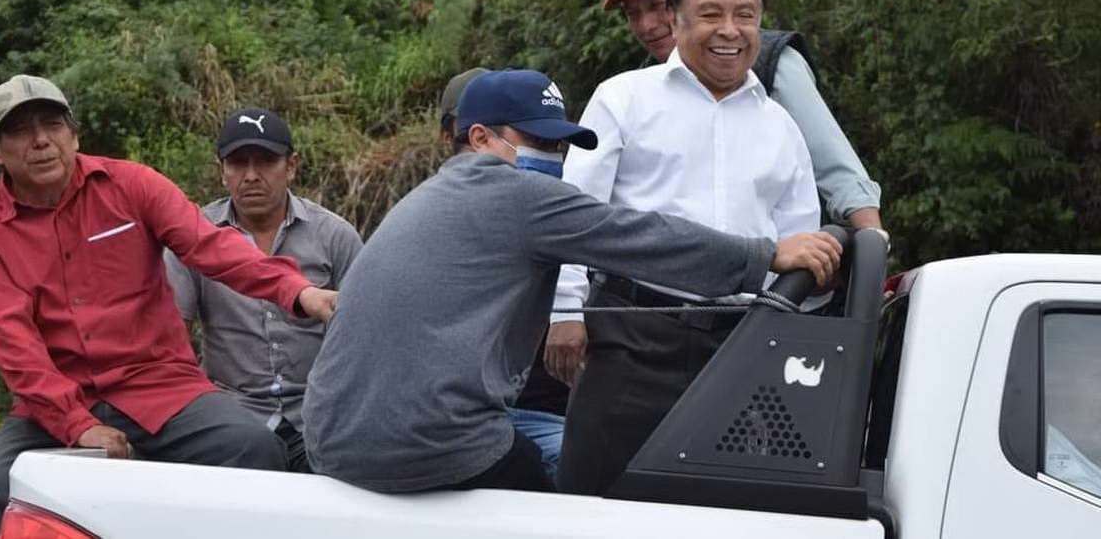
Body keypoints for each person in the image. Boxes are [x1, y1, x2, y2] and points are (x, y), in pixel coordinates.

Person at [300, 68, 842, 494]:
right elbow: (639, 236)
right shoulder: (515, 196)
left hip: (330, 437)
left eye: (558, 146)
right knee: (571, 493)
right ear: (480, 137)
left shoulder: (430, 196)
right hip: (422, 444)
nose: (552, 157)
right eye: (536, 140)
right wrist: (767, 254)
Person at [0, 76, 337, 538]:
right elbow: (14, 344)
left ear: (74, 135)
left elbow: (210, 245)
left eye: (52, 125)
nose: (40, 141)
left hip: (159, 387)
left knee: (254, 449)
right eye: (20, 130)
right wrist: (76, 425)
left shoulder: (132, 185)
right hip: (56, 402)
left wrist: (298, 291)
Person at [545, 0, 885, 422]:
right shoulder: (623, 97)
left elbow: (827, 190)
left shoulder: (779, 108)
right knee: (607, 468)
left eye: (655, 5)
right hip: (634, 332)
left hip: (744, 340)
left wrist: (867, 259)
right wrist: (565, 310)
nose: (647, 24)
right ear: (684, 15)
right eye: (634, 12)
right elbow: (576, 213)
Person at [164, 108, 363, 473]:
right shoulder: (194, 239)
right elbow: (171, 340)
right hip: (231, 418)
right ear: (222, 170)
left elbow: (365, 337)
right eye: (238, 163)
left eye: (266, 162)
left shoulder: (334, 236)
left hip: (320, 413)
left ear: (291, 166)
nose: (251, 176)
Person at [440, 68, 570, 480]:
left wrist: (570, 314)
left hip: (546, 404)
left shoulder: (551, 208)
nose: (544, 152)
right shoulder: (428, 220)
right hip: (462, 417)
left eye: (548, 141)